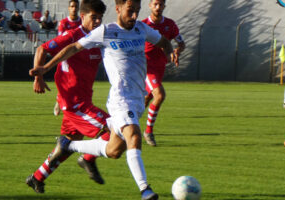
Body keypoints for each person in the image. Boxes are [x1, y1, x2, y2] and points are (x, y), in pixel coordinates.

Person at [29, 0, 175, 199]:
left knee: (113, 149)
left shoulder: (139, 29)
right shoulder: (95, 34)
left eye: (137, 11)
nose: (134, 16)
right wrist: (43, 71)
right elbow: (66, 49)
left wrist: (169, 51)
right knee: (128, 135)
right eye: (93, 17)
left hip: (121, 99)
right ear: (118, 9)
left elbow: (163, 42)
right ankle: (144, 189)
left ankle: (40, 174)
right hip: (90, 103)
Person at [25, 0, 109, 194]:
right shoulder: (73, 36)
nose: (97, 21)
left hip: (82, 101)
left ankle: (37, 177)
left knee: (69, 143)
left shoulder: (99, 38)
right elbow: (42, 49)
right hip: (74, 104)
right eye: (93, 17)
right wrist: (38, 77)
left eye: (100, 18)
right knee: (113, 129)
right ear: (83, 16)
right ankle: (87, 159)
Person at [141, 0, 185, 146]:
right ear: (150, 5)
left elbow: (181, 43)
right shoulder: (142, 25)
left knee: (146, 100)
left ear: (164, 6)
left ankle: (125, 125)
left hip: (160, 68)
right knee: (159, 95)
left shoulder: (170, 25)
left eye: (161, 4)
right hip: (147, 68)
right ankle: (148, 131)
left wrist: (177, 51)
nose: (158, 7)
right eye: (155, 4)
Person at [54, 0, 82, 117]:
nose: (74, 9)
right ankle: (58, 102)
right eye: (72, 6)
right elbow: (61, 41)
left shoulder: (82, 22)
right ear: (69, 8)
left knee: (77, 82)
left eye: (76, 6)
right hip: (67, 57)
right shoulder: (64, 23)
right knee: (65, 81)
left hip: (79, 56)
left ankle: (73, 104)